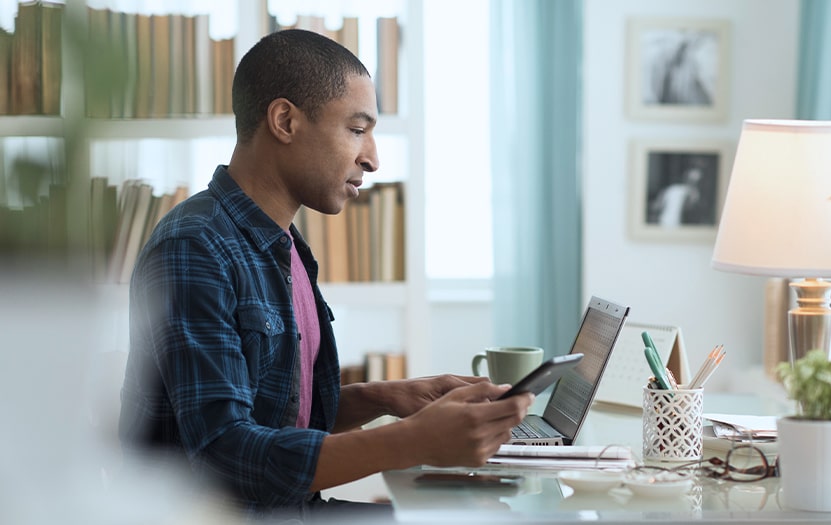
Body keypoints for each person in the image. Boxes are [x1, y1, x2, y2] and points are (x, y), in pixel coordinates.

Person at [118, 29, 533, 522]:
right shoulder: (195, 246)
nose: (372, 158)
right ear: (285, 121)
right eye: (357, 130)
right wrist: (413, 441)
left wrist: (387, 397)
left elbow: (276, 416)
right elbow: (224, 457)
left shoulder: (283, 244)